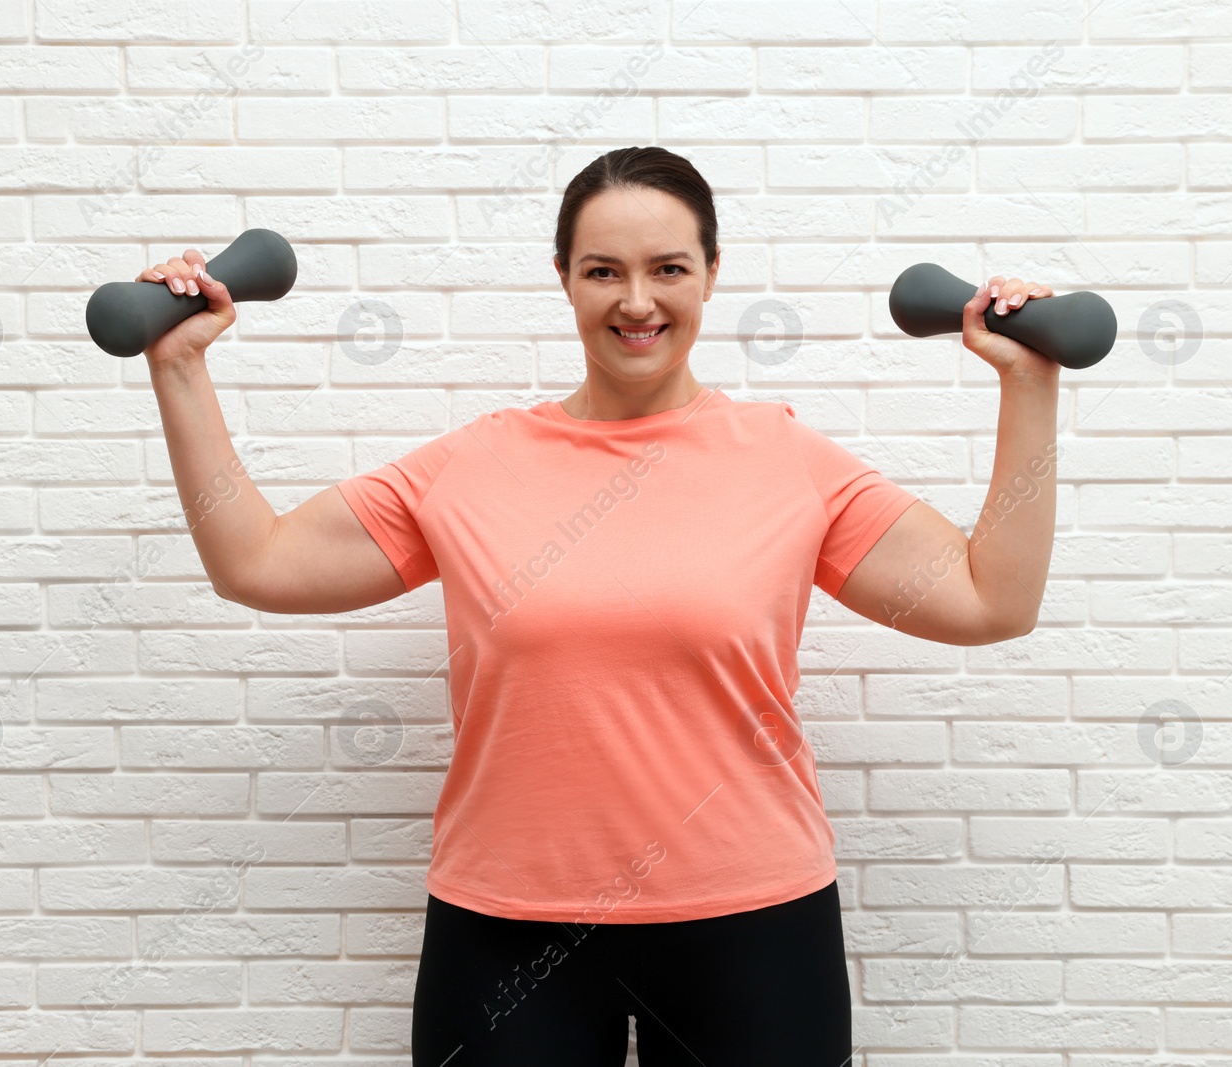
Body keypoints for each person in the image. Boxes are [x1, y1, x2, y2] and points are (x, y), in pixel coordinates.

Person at [135, 146, 1060, 1065]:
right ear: (563, 280)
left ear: (712, 274)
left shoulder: (787, 461)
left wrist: (1029, 384)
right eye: (602, 271)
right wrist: (178, 368)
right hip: (507, 927)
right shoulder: (473, 464)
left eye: (669, 269)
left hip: (752, 919)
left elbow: (992, 599)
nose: (637, 302)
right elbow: (257, 561)